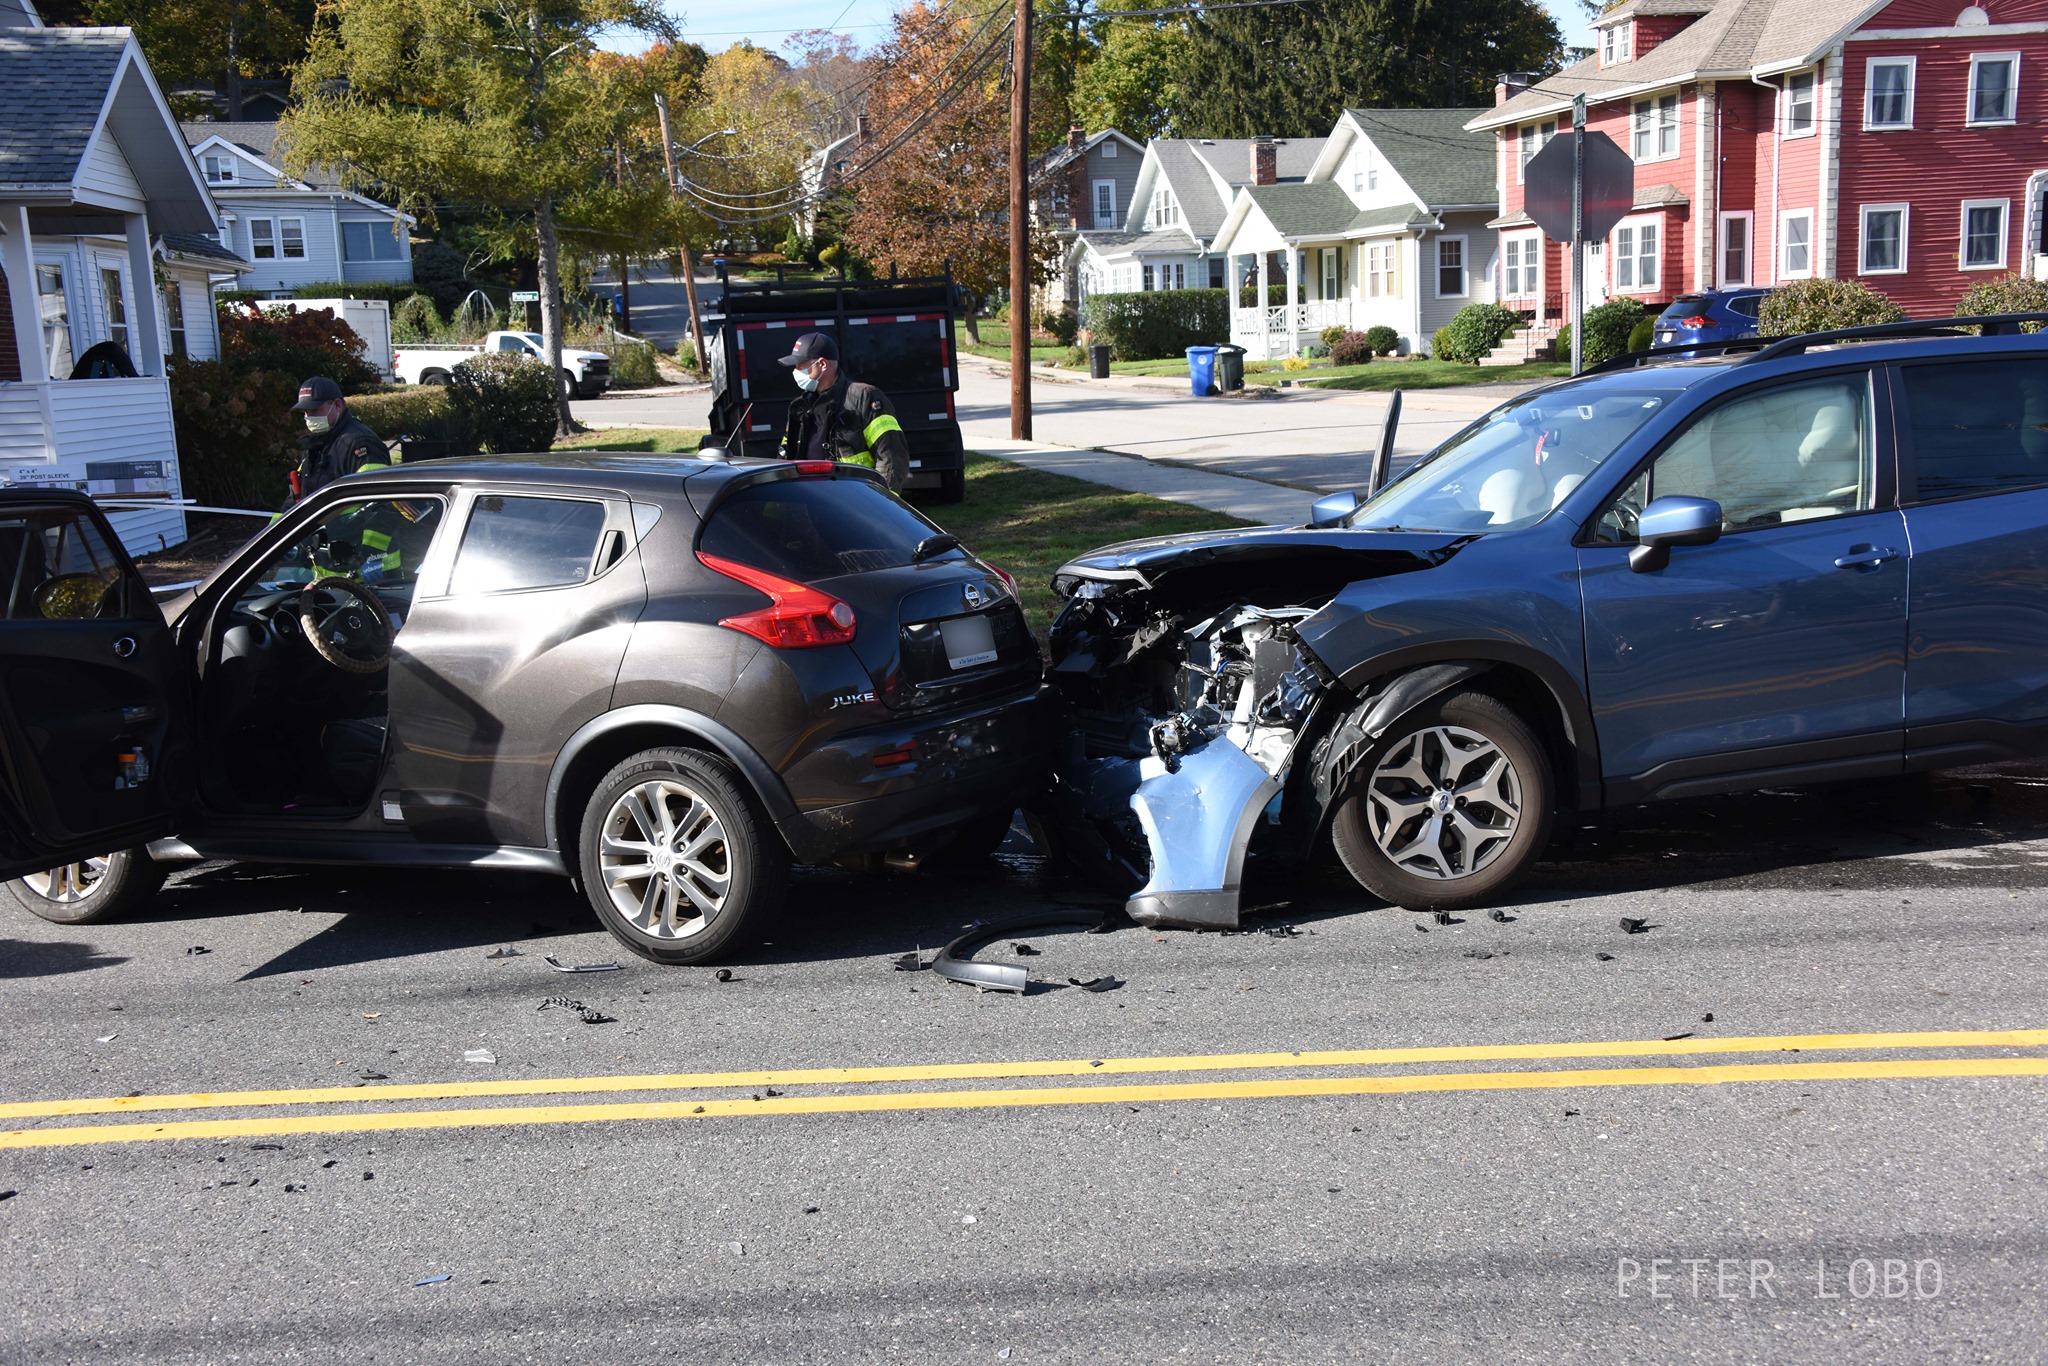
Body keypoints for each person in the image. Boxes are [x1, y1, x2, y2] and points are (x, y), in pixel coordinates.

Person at [776, 332, 910, 492]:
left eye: (800, 365)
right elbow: (786, 455)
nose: (795, 371)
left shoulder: (864, 397)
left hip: (854, 502)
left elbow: (892, 455)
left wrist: (883, 502)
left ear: (822, 364)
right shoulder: (800, 407)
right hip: (812, 504)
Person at [289, 376, 393, 504]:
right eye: (305, 412)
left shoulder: (360, 444)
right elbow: (297, 494)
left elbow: (375, 503)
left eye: (314, 410)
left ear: (337, 405)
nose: (308, 417)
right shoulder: (316, 444)